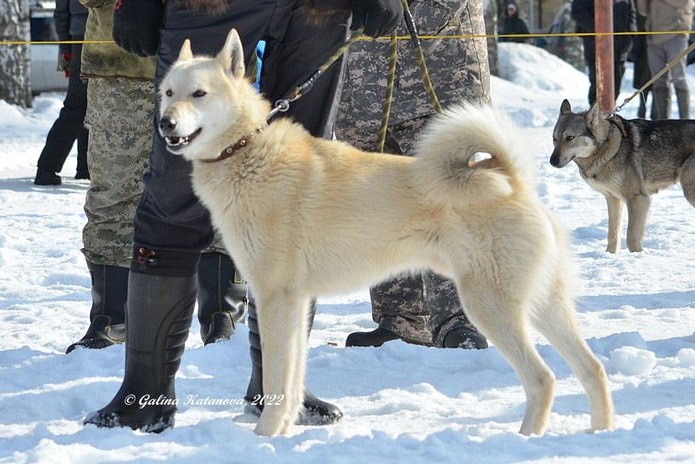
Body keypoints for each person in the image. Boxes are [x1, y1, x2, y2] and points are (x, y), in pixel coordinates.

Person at [83, 0, 403, 434]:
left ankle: (277, 392)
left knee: (298, 189)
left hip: (319, 9)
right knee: (173, 197)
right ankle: (145, 395)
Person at [66, 1, 247, 354]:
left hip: (215, 59)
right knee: (115, 193)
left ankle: (222, 314)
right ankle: (111, 318)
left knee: (222, 191)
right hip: (124, 59)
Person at [336, 0, 489, 350]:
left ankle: (460, 321)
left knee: (446, 200)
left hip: (438, 64)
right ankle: (401, 320)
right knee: (380, 200)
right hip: (361, 83)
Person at [34, 0, 89, 186]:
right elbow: (61, 12)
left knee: (90, 105)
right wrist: (66, 49)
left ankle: (85, 168)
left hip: (82, 36)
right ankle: (47, 169)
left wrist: (66, 48)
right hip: (84, 37)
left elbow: (61, 12)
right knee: (77, 105)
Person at [571, 0, 636, 106]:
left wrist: (631, 34)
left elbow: (632, 13)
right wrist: (599, 28)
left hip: (620, 46)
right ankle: (594, 112)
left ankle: (609, 111)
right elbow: (578, 13)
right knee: (597, 83)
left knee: (616, 83)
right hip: (595, 46)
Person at [637, 0, 693, 119]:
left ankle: (686, 121)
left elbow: (684, 2)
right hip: (654, 36)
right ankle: (663, 122)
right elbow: (643, 11)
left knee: (679, 79)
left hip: (676, 33)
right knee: (659, 81)